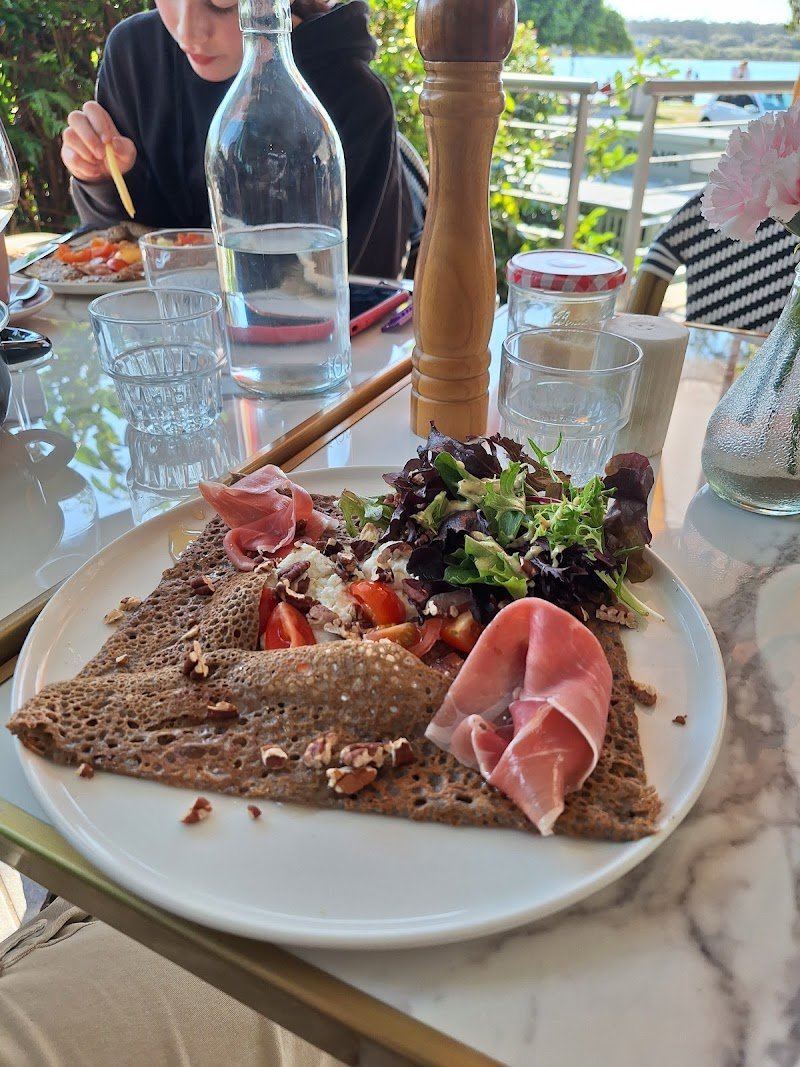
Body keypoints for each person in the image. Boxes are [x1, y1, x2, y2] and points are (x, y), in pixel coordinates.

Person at [60, 0, 412, 279]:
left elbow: (356, 286)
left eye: (221, 3)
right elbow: (111, 251)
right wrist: (103, 179)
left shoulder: (352, 98)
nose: (188, 30)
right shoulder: (135, 56)